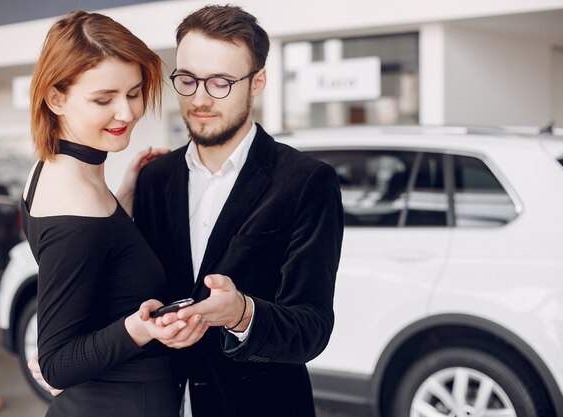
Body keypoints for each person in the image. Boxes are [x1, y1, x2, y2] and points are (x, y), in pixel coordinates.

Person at [133, 5, 344, 417]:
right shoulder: (154, 178)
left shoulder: (306, 181)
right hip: (161, 402)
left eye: (221, 83)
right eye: (188, 80)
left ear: (258, 81)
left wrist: (242, 313)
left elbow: (312, 327)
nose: (200, 99)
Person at [21, 10, 208, 417]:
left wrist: (123, 195)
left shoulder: (53, 167)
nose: (126, 113)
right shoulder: (76, 206)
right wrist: (142, 327)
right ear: (56, 98)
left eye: (135, 92)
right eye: (103, 100)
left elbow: (96, 259)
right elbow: (55, 363)